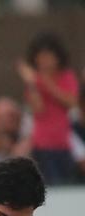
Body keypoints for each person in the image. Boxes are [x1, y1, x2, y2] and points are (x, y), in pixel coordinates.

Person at [17, 33, 80, 185]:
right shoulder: (33, 82)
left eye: (48, 57)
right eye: (41, 57)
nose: (45, 61)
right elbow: (38, 109)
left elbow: (71, 101)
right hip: (43, 144)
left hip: (63, 143)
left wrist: (46, 82)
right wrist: (32, 83)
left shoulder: (66, 76)